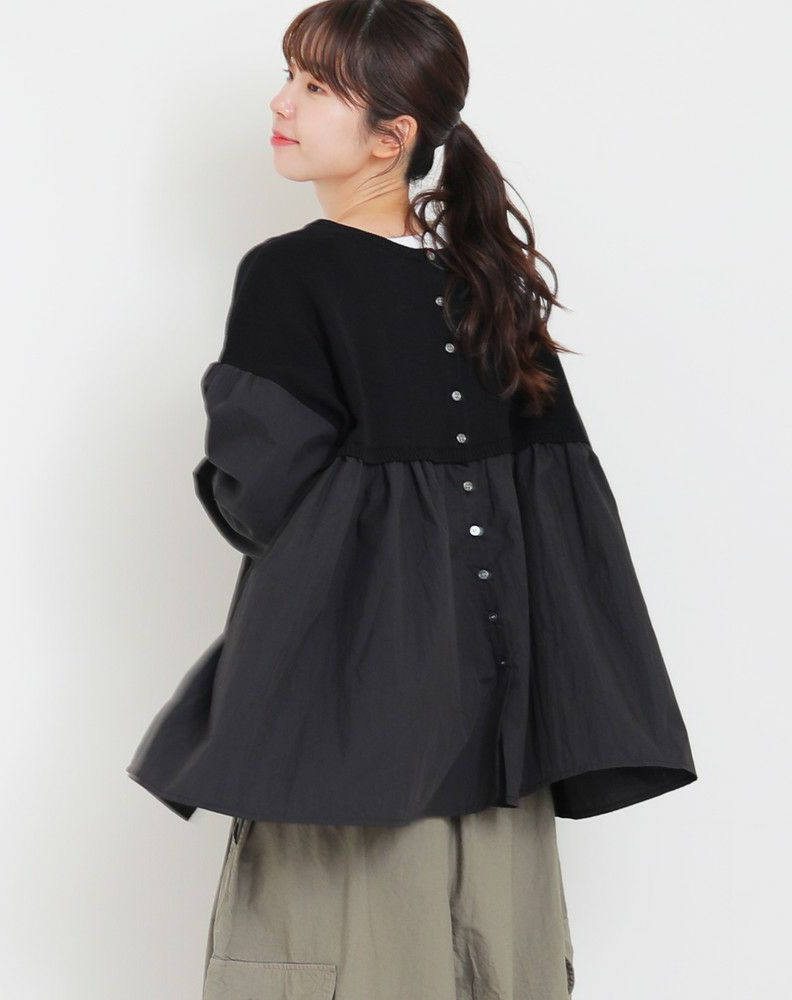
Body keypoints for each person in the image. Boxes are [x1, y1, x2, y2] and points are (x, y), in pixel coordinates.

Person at [126, 2, 698, 997]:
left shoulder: (290, 275)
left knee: (334, 959)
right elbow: (562, 519)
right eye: (289, 76)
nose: (282, 103)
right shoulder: (493, 286)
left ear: (391, 136)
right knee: (494, 966)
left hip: (348, 715)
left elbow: (262, 498)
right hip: (501, 730)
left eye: (314, 86)